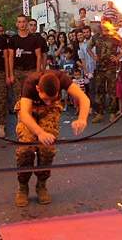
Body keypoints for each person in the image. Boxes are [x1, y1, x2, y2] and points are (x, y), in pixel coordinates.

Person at [14, 70, 89, 207]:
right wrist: (40, 132)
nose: (48, 102)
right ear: (38, 89)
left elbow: (84, 98)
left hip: (50, 113)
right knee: (26, 148)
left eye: (51, 98)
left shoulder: (62, 79)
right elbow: (24, 114)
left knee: (47, 148)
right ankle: (23, 186)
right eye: (45, 98)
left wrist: (82, 119)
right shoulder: (31, 83)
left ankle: (41, 184)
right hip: (30, 109)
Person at [87, 18, 122, 123]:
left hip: (111, 68)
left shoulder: (115, 37)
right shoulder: (96, 37)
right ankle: (100, 113)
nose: (103, 25)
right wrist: (94, 57)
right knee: (99, 91)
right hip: (99, 68)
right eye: (102, 23)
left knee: (112, 91)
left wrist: (118, 57)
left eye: (106, 23)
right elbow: (88, 48)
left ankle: (112, 113)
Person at [8, 15, 42, 105]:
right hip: (17, 72)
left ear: (26, 23)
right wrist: (11, 74)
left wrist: (38, 73)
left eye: (23, 22)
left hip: (31, 71)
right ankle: (20, 118)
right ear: (16, 24)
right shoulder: (13, 39)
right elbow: (10, 57)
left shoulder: (34, 39)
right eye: (19, 22)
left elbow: (39, 56)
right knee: (19, 100)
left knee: (31, 98)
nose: (22, 24)